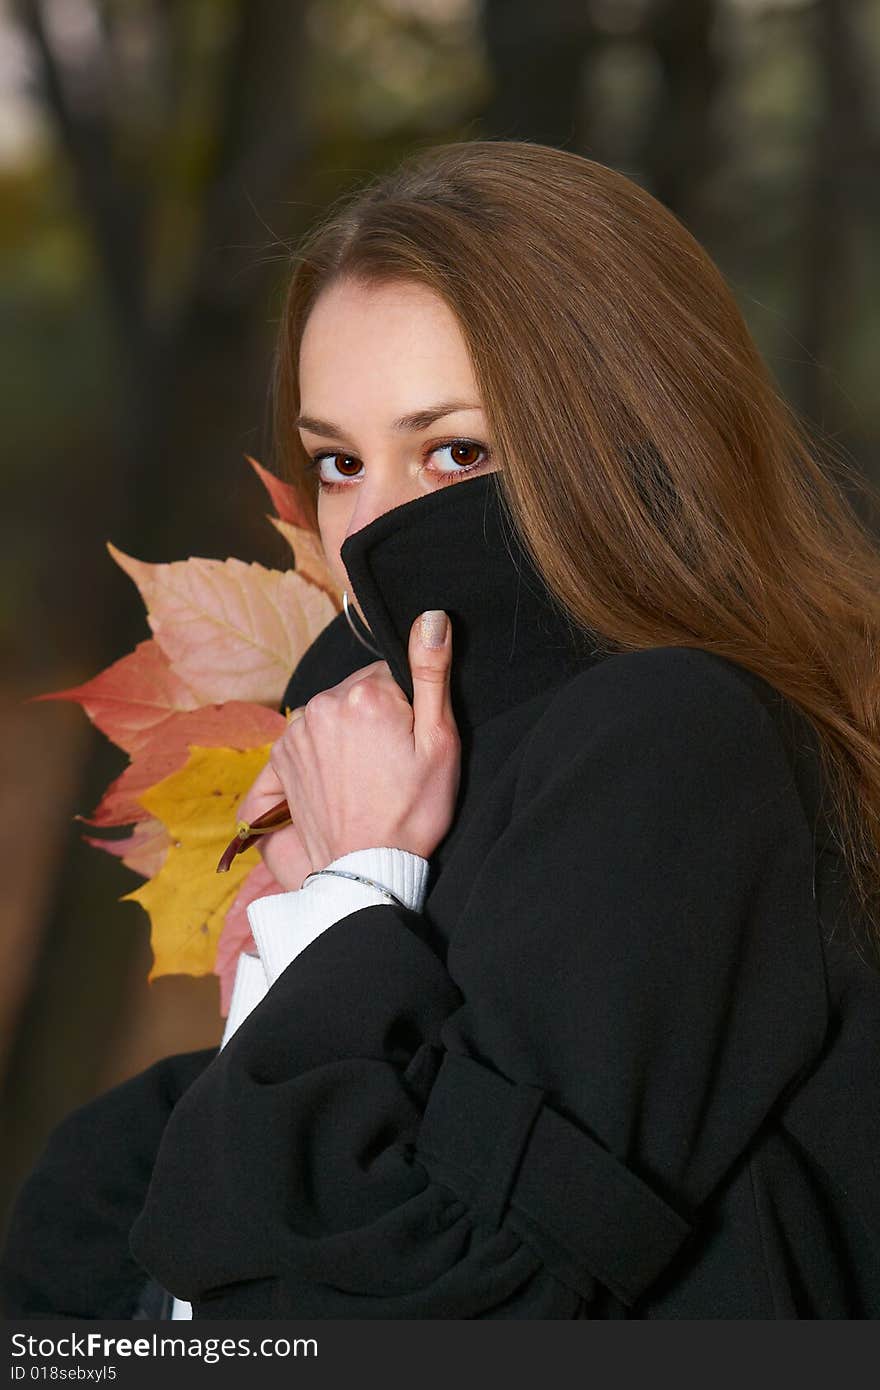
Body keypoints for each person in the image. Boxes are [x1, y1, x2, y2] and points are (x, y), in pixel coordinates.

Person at [3, 138, 880, 1319]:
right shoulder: (389, 748)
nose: (374, 531)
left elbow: (458, 1289)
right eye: (338, 462)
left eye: (455, 451)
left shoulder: (674, 738)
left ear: (631, 441)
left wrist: (353, 896)